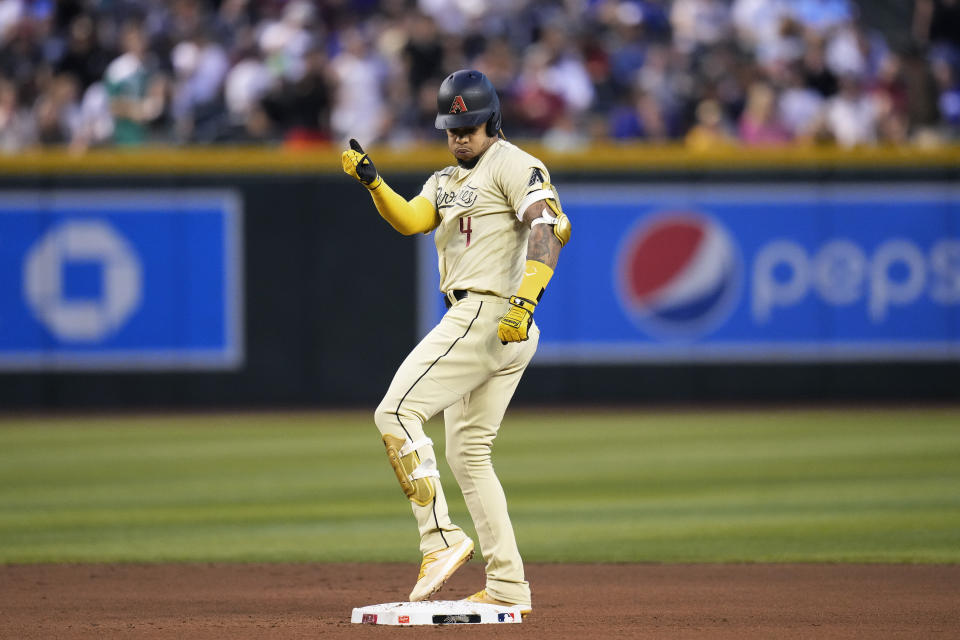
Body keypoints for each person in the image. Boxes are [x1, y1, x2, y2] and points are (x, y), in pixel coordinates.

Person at [340, 69, 570, 616]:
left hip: (490, 311)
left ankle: (440, 540)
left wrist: (526, 299)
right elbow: (414, 220)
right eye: (452, 127)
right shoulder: (443, 180)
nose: (460, 136)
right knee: (468, 455)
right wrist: (375, 183)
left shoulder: (514, 163)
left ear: (491, 120)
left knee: (395, 412)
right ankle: (509, 586)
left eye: (469, 125)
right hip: (490, 321)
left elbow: (549, 225)